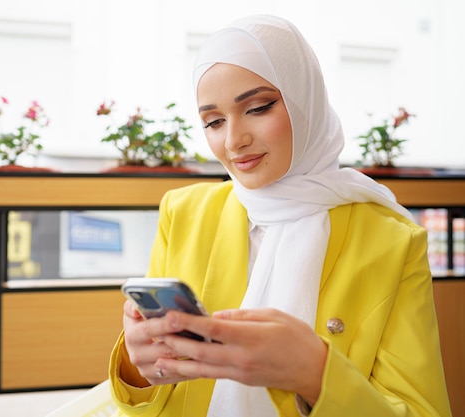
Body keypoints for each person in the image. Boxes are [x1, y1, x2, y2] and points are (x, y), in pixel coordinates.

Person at [107, 14, 452, 417]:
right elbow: (156, 395)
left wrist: (316, 375)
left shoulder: (392, 241)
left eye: (258, 107)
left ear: (304, 99)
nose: (234, 140)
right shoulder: (184, 212)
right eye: (214, 121)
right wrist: (139, 368)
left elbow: (422, 409)